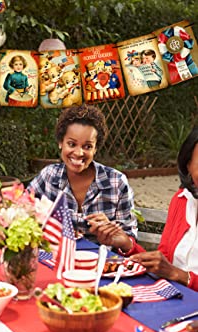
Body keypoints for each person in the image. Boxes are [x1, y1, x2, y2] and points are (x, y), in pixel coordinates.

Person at [28, 105, 138, 252]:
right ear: (61, 143)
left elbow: (129, 241)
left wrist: (116, 236)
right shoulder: (48, 177)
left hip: (100, 266)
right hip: (54, 261)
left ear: (96, 148)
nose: (79, 153)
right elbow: (23, 212)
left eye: (87, 146)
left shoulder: (116, 183)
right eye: (72, 144)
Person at [130, 127, 198, 290]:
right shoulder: (181, 200)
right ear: (188, 164)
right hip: (174, 299)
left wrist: (179, 275)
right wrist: (127, 245)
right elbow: (163, 262)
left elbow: (171, 271)